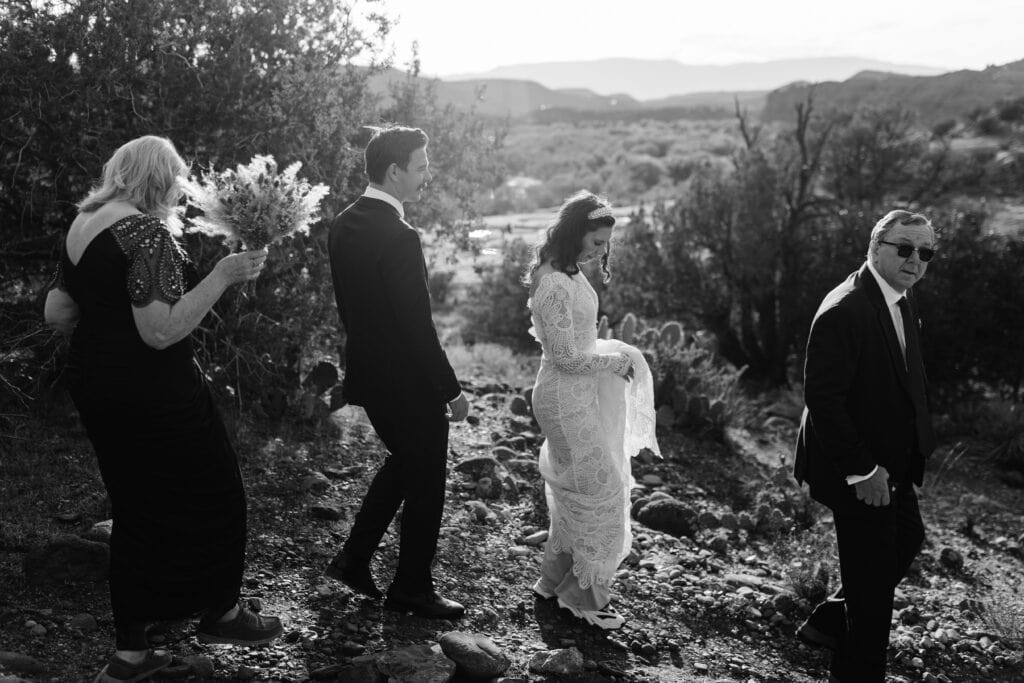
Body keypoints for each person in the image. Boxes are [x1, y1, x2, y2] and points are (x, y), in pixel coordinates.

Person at [43, 136, 282, 683]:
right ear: (155, 180)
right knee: (218, 490)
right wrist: (220, 275)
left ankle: (131, 654)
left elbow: (57, 311)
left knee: (136, 509)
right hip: (156, 392)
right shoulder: (143, 233)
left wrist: (105, 332)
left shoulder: (87, 222)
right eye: (175, 180)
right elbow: (161, 331)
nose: (179, 191)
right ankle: (221, 611)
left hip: (96, 385)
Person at [325, 124, 469, 619]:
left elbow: (351, 309)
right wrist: (449, 389)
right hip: (407, 383)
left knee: (405, 463)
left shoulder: (343, 222)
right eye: (422, 166)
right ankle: (411, 586)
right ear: (395, 171)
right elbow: (416, 325)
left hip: (368, 374)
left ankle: (353, 559)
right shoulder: (400, 236)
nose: (427, 175)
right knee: (427, 477)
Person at [793, 210, 938, 682]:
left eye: (925, 252)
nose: (915, 260)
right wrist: (863, 471)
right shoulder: (846, 309)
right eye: (904, 248)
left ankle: (830, 621)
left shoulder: (899, 297)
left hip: (893, 460)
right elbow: (823, 400)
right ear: (876, 247)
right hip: (857, 467)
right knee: (874, 599)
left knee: (907, 538)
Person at [524, 191, 659, 630]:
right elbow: (563, 355)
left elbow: (573, 344)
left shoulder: (566, 270)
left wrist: (605, 355)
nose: (600, 251)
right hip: (564, 398)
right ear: (575, 231)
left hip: (575, 393)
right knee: (603, 491)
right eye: (596, 241)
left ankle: (556, 582)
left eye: (605, 244)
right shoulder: (552, 281)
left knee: (577, 492)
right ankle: (582, 598)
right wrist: (616, 362)